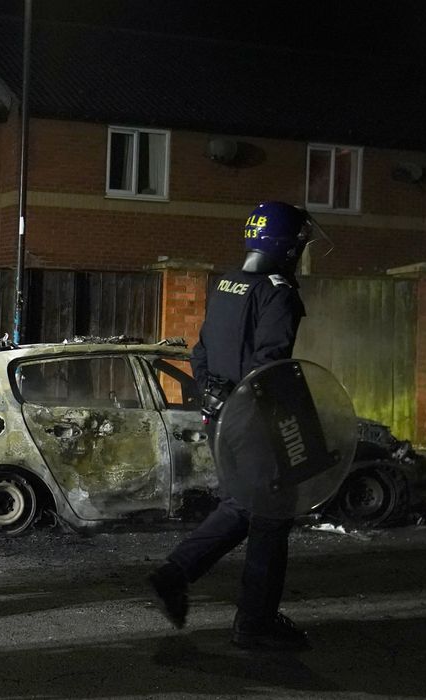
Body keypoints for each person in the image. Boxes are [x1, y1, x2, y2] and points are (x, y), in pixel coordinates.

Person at [149, 201, 316, 651]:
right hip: (257, 420)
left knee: (241, 504)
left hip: (220, 418)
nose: (301, 251)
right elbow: (271, 363)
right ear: (284, 245)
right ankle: (255, 623)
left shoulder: (226, 283)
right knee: (271, 516)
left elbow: (201, 352)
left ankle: (175, 573)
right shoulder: (277, 292)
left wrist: (212, 393)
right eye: (299, 243)